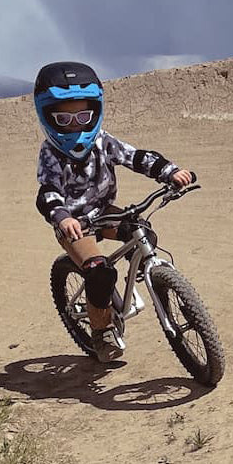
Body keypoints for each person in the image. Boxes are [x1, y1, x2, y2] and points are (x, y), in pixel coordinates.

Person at [34, 61, 192, 362]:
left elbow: (135, 157)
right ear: (48, 117)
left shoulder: (102, 141)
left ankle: (147, 277)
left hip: (104, 210)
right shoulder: (50, 153)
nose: (75, 125)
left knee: (142, 231)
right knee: (99, 271)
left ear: (95, 112)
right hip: (76, 224)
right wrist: (62, 216)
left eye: (83, 116)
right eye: (63, 119)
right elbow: (48, 192)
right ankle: (102, 330)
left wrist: (169, 172)